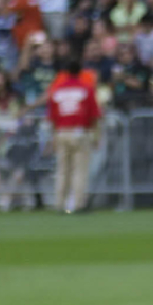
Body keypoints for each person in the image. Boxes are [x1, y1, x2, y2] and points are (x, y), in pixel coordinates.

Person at [45, 55, 102, 213]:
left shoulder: (57, 89)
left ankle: (59, 203)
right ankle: (78, 204)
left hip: (61, 131)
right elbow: (94, 115)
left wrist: (53, 137)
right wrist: (96, 136)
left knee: (62, 170)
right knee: (80, 170)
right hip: (79, 131)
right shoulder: (86, 88)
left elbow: (52, 117)